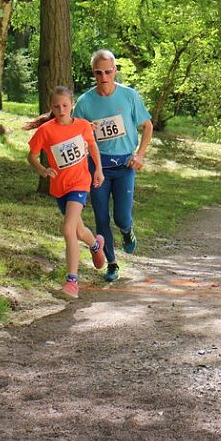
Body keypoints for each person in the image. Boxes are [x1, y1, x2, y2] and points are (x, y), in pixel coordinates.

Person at [74, 49, 154, 282]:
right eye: (98, 73)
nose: (104, 77)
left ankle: (127, 232)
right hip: (98, 168)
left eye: (108, 72)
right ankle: (112, 264)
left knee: (121, 217)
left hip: (124, 166)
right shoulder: (85, 102)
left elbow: (148, 126)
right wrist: (85, 131)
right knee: (101, 218)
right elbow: (76, 136)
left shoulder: (129, 96)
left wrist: (140, 155)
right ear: (93, 73)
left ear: (115, 71)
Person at [25, 86, 106, 299]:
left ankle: (72, 282)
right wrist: (43, 170)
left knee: (68, 229)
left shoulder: (82, 126)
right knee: (78, 231)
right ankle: (96, 244)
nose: (61, 110)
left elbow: (93, 146)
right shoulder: (46, 130)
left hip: (79, 184)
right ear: (51, 107)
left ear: (72, 105)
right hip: (59, 187)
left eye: (65, 105)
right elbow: (31, 156)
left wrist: (98, 169)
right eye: (56, 106)